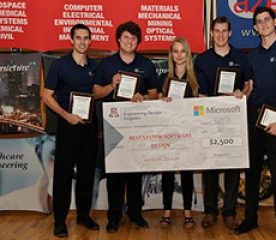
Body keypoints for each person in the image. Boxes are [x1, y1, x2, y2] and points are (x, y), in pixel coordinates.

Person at [234, 6, 276, 240]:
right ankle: (250, 219)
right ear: (254, 28)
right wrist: (240, 94)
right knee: (252, 172)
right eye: (259, 22)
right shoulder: (251, 56)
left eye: (267, 20)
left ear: (275, 22)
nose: (263, 24)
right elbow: (249, 88)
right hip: (254, 119)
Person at [93, 21, 157, 233]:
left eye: (134, 38)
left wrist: (143, 96)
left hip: (138, 125)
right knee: (115, 175)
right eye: (126, 37)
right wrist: (112, 85)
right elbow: (95, 93)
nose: (129, 41)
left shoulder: (147, 65)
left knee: (135, 173)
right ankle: (114, 216)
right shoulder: (107, 65)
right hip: (114, 125)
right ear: (119, 39)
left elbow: (155, 95)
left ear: (138, 42)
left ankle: (135, 213)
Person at [42, 24, 99, 238]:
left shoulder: (94, 66)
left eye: (86, 38)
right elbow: (47, 96)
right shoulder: (60, 66)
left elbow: (97, 92)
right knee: (63, 175)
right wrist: (66, 115)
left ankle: (83, 216)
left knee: (86, 173)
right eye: (78, 38)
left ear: (90, 41)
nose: (82, 42)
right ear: (71, 40)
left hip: (88, 126)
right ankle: (59, 221)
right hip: (67, 126)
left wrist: (112, 85)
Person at [194, 16, 248, 229]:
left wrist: (240, 94)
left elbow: (248, 86)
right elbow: (199, 93)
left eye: (224, 31)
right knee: (210, 165)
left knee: (232, 166)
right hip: (209, 119)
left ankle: (229, 211)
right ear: (211, 33)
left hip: (233, 120)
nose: (220, 35)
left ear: (230, 33)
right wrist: (212, 102)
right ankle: (209, 210)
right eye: (217, 31)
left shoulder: (242, 58)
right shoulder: (202, 59)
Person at [157, 37, 204, 229]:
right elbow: (157, 104)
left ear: (188, 54)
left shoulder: (197, 77)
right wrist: (162, 99)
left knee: (186, 172)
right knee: (167, 173)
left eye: (182, 51)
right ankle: (166, 210)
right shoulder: (163, 79)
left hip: (189, 132)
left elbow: (204, 103)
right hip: (168, 132)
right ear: (171, 55)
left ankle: (187, 212)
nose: (179, 55)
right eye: (175, 52)